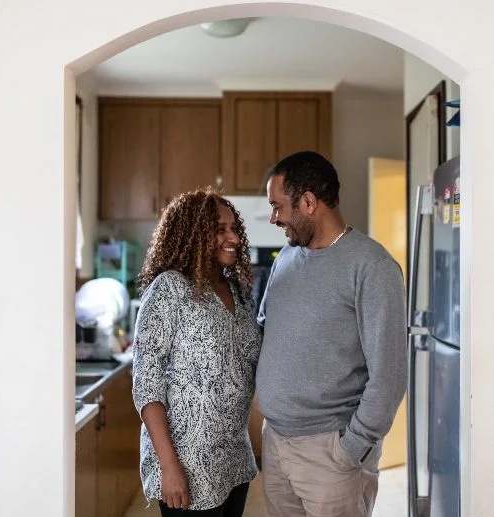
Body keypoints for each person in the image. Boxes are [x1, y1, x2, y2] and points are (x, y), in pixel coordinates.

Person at [256, 151, 407, 517]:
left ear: (308, 202)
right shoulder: (286, 259)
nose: (274, 218)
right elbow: (265, 332)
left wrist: (352, 448)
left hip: (331, 453)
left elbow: (389, 376)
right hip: (275, 443)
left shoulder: (372, 267)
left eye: (278, 207)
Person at [131, 188, 261, 516]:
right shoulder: (170, 288)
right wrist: (169, 467)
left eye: (234, 228)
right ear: (193, 235)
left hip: (233, 458)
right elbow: (147, 387)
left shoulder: (239, 292)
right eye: (220, 229)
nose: (232, 237)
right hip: (187, 463)